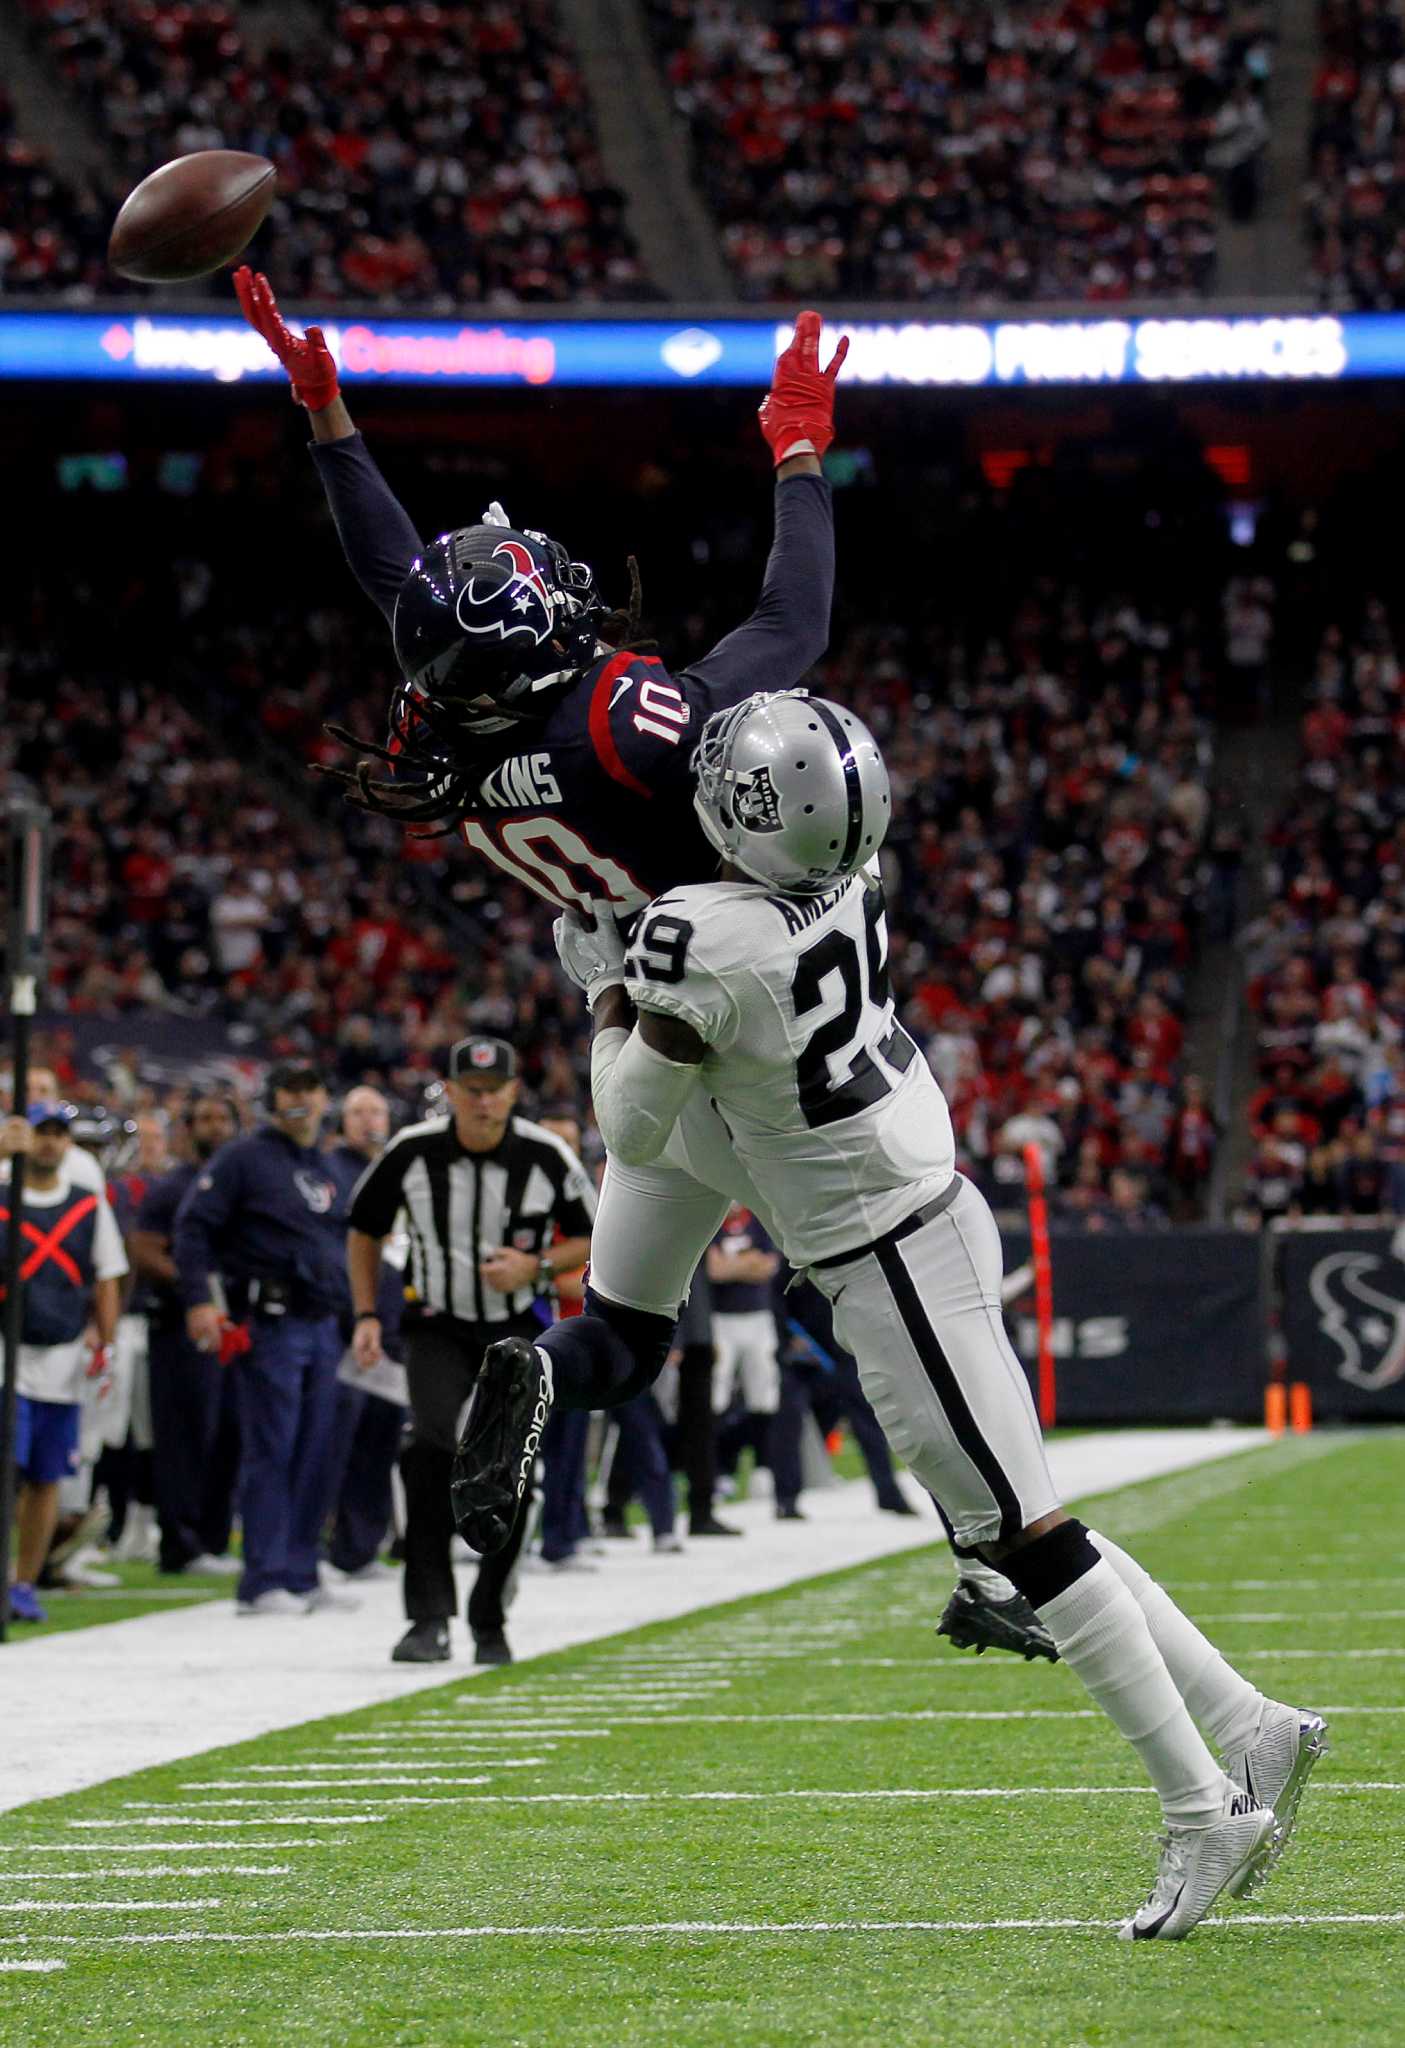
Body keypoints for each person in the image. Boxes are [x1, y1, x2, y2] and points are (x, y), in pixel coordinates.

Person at [464, 692, 1328, 1943]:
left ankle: (1203, 1807)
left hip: (885, 1250)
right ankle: (1251, 1729)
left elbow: (628, 1119)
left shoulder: (702, 937)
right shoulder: (847, 865)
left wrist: (604, 986)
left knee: (1022, 1543)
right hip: (902, 1202)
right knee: (1028, 1519)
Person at [345, 1037, 594, 1665]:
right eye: (471, 1091)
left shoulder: (545, 1154)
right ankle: (428, 1616)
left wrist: (533, 1264)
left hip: (515, 1329)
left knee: (509, 1472)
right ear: (451, 1091)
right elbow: (365, 1228)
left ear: (513, 1091)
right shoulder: (412, 1152)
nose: (483, 1103)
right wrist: (367, 1312)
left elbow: (593, 1234)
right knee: (428, 1451)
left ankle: (490, 1615)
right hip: (436, 1325)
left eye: (495, 1090)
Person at [172, 1061, 349, 1616]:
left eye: (309, 1090)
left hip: (323, 1322)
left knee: (317, 1448)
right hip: (270, 1321)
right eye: (288, 1092)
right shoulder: (244, 1157)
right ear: (271, 1103)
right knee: (272, 1446)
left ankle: (300, 1569)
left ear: (324, 1099)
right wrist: (200, 1300)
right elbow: (193, 1227)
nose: (300, 1101)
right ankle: (264, 1576)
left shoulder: (326, 1165)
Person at [1, 1104, 126, 1623]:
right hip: (6, 1353)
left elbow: (107, 1275)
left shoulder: (86, 1206)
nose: (50, 1144)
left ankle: (24, 1581)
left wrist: (108, 1342)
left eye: (58, 1135)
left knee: (46, 1476)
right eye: (41, 1134)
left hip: (62, 1354)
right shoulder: (4, 1200)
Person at [130, 1093, 241, 1576]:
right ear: (188, 1128)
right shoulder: (171, 1187)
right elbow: (143, 1250)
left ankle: (212, 1538)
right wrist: (197, 1285)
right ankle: (180, 1542)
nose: (214, 1127)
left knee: (228, 1432)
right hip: (181, 1325)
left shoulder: (241, 1185)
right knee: (184, 1434)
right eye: (205, 1119)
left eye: (222, 1118)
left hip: (237, 1325)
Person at [323, 1085, 406, 1580]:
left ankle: (361, 1547)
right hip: (344, 1327)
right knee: (338, 1441)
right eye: (357, 1112)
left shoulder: (403, 1168)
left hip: (397, 1328)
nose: (368, 1120)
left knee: (382, 1438)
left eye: (377, 1110)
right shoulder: (332, 1171)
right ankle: (327, 1545)